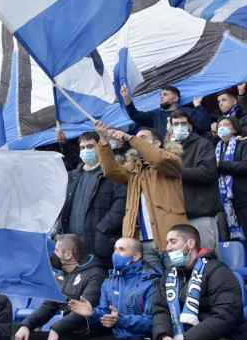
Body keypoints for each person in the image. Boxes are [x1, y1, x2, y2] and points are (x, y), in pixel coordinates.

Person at [136, 224, 247, 340]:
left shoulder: (218, 271)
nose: (168, 247)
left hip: (225, 338)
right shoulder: (169, 274)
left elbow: (225, 316)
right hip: (182, 337)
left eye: (173, 241)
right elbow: (160, 309)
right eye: (167, 242)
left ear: (191, 243)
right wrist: (163, 336)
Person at [95, 121, 186, 271]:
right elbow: (111, 171)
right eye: (135, 138)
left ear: (156, 143)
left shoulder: (171, 160)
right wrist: (103, 141)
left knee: (179, 282)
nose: (136, 141)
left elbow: (159, 159)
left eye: (142, 138)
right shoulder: (133, 169)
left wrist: (129, 138)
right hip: (142, 242)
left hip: (171, 239)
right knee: (154, 286)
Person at [65, 237, 160, 340]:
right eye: (115, 249)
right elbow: (105, 314)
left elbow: (153, 322)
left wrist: (120, 319)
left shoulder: (152, 282)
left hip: (145, 339)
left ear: (136, 256)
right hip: (119, 338)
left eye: (121, 249)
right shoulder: (110, 282)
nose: (115, 254)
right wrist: (92, 313)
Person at [15, 234, 106, 340]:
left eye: (56, 250)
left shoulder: (95, 275)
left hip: (88, 333)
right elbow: (48, 307)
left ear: (68, 254)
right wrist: (26, 325)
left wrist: (56, 329)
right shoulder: (60, 275)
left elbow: (83, 313)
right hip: (67, 331)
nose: (52, 253)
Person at [57, 130, 126, 270]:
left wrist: (101, 229)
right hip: (75, 247)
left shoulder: (113, 174)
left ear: (100, 147)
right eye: (82, 148)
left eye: (90, 146)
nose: (85, 151)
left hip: (100, 245)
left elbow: (121, 205)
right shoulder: (75, 176)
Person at [169, 110, 222, 253]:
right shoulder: (167, 149)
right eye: (176, 124)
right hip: (178, 216)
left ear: (190, 127)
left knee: (206, 256)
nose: (179, 127)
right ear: (170, 127)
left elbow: (207, 173)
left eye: (183, 123)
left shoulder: (203, 144)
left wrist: (176, 173)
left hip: (201, 213)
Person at [215, 115, 247, 253]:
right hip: (228, 204)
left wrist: (221, 165)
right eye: (219, 126)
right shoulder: (217, 149)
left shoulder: (244, 144)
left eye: (225, 125)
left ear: (235, 129)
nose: (221, 128)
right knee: (233, 243)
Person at [119, 83, 209, 138]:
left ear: (175, 98)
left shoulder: (188, 112)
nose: (161, 97)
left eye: (165, 94)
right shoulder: (155, 115)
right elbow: (135, 115)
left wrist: (198, 106)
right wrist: (127, 98)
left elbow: (203, 126)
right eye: (161, 94)